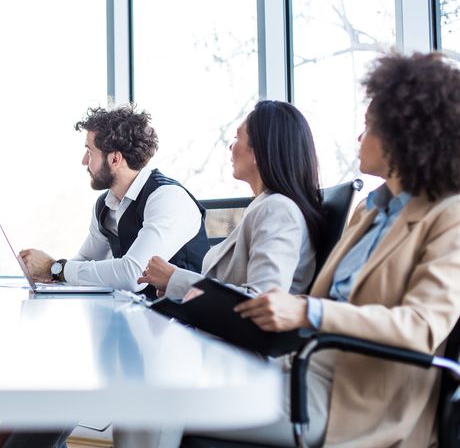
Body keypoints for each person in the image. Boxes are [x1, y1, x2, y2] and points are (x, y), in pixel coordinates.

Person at [186, 52, 460, 447]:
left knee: (163, 404)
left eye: (368, 129)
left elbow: (420, 327)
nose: (359, 138)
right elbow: (329, 298)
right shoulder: (370, 209)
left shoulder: (448, 218)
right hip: (303, 365)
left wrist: (307, 310)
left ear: (404, 135)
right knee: (163, 393)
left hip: (358, 398)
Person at [137, 100, 327, 301]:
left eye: (237, 137)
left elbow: (260, 302)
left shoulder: (278, 210)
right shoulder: (263, 206)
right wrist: (175, 285)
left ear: (258, 151)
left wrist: (175, 280)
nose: (231, 146)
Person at [19, 104, 209, 294]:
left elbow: (133, 275)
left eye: (90, 151)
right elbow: (85, 259)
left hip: (178, 319)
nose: (84, 161)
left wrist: (56, 268)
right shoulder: (105, 204)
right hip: (137, 314)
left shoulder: (167, 198)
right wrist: (51, 275)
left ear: (115, 160)